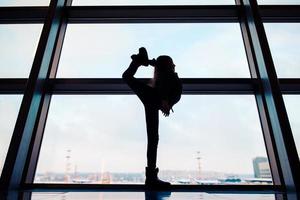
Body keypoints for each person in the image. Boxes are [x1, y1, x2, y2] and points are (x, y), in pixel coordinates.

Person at [122, 47, 182, 188]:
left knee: (153, 138)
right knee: (153, 138)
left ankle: (151, 178)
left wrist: (146, 62)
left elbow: (174, 90)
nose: (174, 66)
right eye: (172, 64)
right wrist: (168, 103)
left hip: (151, 96)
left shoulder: (166, 78)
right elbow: (177, 91)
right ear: (168, 66)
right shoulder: (172, 78)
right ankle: (151, 178)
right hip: (153, 97)